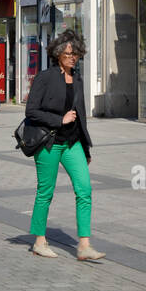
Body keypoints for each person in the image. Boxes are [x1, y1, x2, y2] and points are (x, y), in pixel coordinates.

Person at [25, 29, 104, 263]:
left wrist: (86, 148)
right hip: (49, 142)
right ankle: (39, 241)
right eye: (68, 53)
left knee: (84, 189)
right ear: (58, 53)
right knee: (45, 192)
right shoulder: (45, 77)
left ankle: (84, 245)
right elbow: (31, 111)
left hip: (72, 143)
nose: (73, 57)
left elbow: (80, 116)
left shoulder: (77, 79)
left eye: (76, 54)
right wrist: (59, 120)